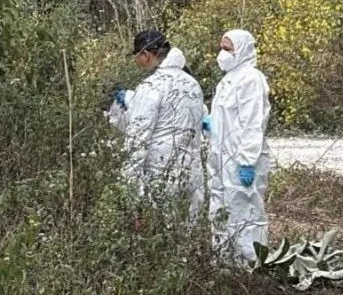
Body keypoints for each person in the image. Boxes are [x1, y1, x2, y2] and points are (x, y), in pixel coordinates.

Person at [109, 30, 205, 222]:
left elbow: (137, 139)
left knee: (161, 235)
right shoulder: (192, 83)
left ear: (146, 55)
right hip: (192, 173)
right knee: (187, 234)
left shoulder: (152, 86)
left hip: (161, 174)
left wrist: (132, 193)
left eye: (137, 56)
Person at [203, 29, 271, 263]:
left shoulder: (251, 79)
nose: (223, 53)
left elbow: (253, 123)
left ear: (242, 50)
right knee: (221, 211)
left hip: (241, 160)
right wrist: (212, 124)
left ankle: (251, 265)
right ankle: (224, 263)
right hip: (222, 158)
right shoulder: (227, 80)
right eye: (221, 48)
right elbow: (229, 118)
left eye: (228, 49)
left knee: (245, 213)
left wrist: (247, 161)